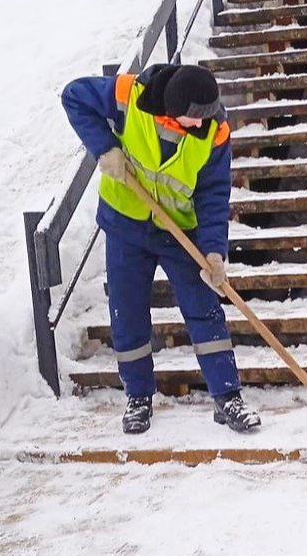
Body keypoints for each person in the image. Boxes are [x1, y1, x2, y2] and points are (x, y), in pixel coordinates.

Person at [61, 62, 261, 436]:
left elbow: (214, 192)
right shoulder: (129, 95)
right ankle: (138, 397)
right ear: (173, 108)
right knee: (128, 312)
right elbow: (74, 95)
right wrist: (105, 149)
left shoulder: (214, 130)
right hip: (125, 223)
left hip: (179, 230)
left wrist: (214, 251)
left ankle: (227, 396)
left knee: (205, 310)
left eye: (207, 117)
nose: (200, 125)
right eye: (192, 119)